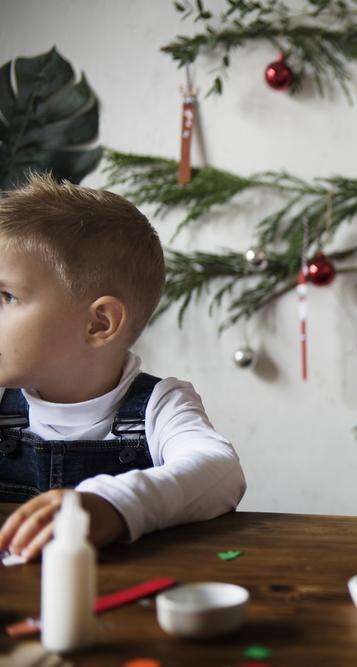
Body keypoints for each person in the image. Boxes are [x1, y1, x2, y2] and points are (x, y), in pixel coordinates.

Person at [0, 173, 246, 561]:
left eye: (6, 296)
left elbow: (220, 472)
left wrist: (111, 504)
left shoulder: (160, 405)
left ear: (99, 324)